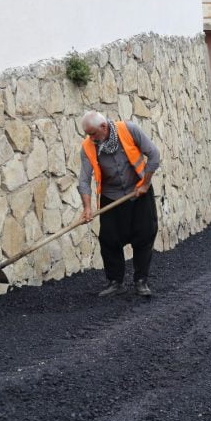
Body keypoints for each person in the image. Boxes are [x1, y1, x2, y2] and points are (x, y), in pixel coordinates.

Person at [78, 111, 160, 298]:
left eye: (92, 134)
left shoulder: (129, 130)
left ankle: (141, 281)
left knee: (145, 234)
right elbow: (83, 181)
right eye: (87, 134)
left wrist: (146, 183)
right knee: (109, 239)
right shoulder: (88, 147)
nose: (90, 138)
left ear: (104, 127)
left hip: (139, 191)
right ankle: (116, 282)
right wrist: (87, 208)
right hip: (111, 197)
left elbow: (154, 155)